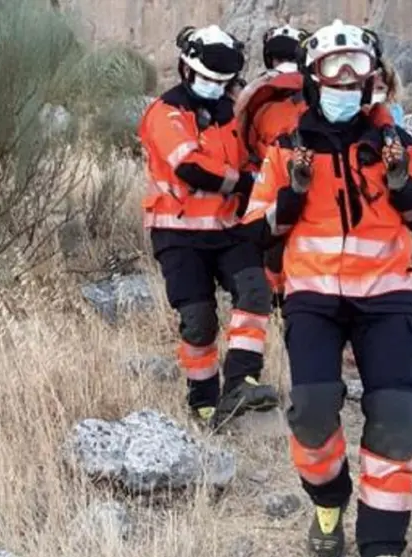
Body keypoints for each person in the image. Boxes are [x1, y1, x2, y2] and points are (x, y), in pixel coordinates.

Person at [241, 19, 412, 557]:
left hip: (386, 300)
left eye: (354, 78)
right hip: (313, 299)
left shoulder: (398, 144)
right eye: (334, 77)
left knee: (395, 424)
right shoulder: (287, 151)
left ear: (369, 82)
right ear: (313, 81)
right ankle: (328, 503)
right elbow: (254, 233)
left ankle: (381, 544)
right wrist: (288, 201)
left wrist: (402, 189)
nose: (344, 87)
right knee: (311, 413)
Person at [136, 24, 279, 429]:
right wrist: (247, 182)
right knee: (199, 320)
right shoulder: (165, 113)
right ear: (185, 70)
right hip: (178, 233)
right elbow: (191, 167)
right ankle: (203, 402)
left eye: (222, 81)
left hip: (229, 228)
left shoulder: (232, 114)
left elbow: (253, 158)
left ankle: (241, 381)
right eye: (206, 79)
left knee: (255, 291)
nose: (214, 87)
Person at [233, 24, 310, 312]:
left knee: (269, 247)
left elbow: (243, 141)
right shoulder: (319, 86)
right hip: (314, 178)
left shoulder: (257, 95)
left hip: (270, 182)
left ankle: (275, 303)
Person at [370, 60, 405, 125]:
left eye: (380, 88)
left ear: (390, 90)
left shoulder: (395, 111)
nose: (373, 92)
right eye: (369, 86)